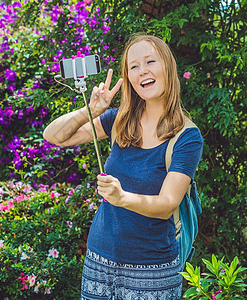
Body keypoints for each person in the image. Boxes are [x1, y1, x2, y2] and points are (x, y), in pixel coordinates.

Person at [43, 33, 203, 299]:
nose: (143, 71)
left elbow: (166, 205)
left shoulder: (186, 136)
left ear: (167, 66)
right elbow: (54, 136)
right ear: (128, 78)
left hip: (152, 270)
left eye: (150, 61)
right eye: (134, 66)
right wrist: (91, 111)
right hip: (99, 258)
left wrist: (122, 198)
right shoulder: (119, 120)